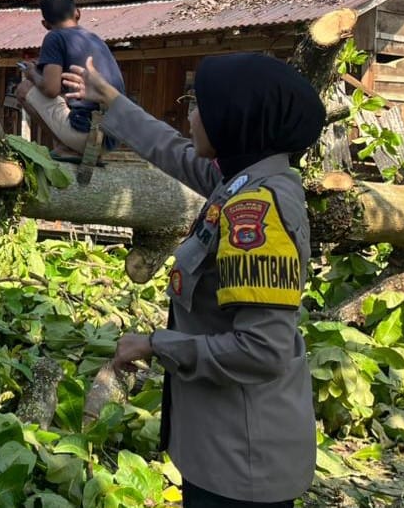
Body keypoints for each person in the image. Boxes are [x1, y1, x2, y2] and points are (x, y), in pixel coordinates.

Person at [63, 53, 324, 507]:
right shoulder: (247, 179)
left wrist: (155, 344)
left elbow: (261, 350)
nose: (192, 115)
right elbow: (173, 152)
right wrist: (111, 99)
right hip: (225, 445)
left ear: (237, 119)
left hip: (242, 461)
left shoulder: (257, 212)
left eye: (202, 106)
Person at [15, 0, 126, 159]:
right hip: (113, 137)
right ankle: (72, 146)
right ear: (78, 13)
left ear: (45, 24)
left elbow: (51, 90)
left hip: (87, 137)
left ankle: (66, 148)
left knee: (24, 89)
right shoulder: (94, 38)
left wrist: (32, 74)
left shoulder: (54, 37)